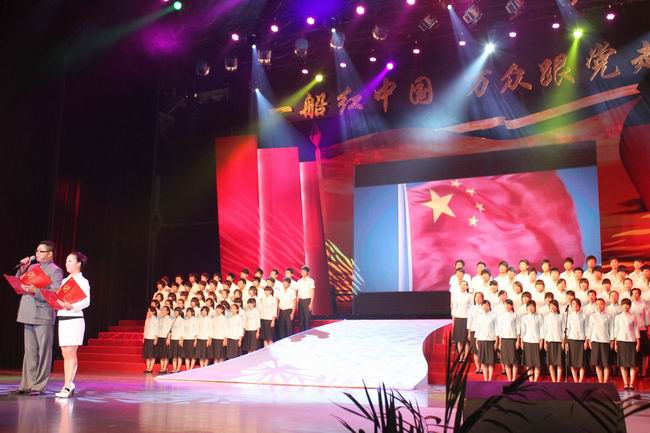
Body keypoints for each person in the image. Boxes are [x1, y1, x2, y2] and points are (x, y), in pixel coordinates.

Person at [13, 240, 64, 396]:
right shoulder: (32, 267)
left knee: (43, 352)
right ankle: (27, 384)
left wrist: (36, 290)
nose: (37, 254)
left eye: (40, 251)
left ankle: (39, 386)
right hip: (28, 312)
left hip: (43, 314)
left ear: (50, 254)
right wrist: (22, 269)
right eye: (36, 251)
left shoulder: (55, 270)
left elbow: (55, 293)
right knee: (29, 352)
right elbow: (19, 283)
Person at [52, 251, 91, 398]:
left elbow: (86, 301)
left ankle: (68, 385)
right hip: (63, 318)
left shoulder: (83, 281)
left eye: (70, 261)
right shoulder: (64, 281)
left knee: (71, 353)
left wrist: (71, 306)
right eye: (66, 261)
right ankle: (67, 384)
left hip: (74, 319)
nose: (67, 263)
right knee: (65, 353)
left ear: (78, 263)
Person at [614, 298, 640, 390]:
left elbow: (636, 329)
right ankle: (625, 383)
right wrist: (615, 343)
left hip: (631, 341)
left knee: (633, 364)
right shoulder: (618, 317)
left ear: (630, 306)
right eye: (623, 304)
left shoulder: (633, 317)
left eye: (627, 304)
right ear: (621, 306)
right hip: (621, 341)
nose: (625, 306)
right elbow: (616, 330)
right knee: (623, 364)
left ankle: (631, 383)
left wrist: (638, 342)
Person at [587, 298, 614, 383]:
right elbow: (590, 329)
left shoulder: (609, 316)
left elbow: (611, 329)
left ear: (604, 305)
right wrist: (589, 340)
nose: (599, 306)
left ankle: (605, 382)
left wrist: (612, 340)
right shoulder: (592, 316)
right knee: (597, 362)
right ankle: (600, 381)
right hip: (595, 340)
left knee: (606, 363)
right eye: (597, 304)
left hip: (605, 341)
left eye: (601, 304)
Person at [520, 300, 544, 382]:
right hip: (527, 341)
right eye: (529, 306)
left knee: (537, 363)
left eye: (532, 306)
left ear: (535, 307)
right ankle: (531, 380)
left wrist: (541, 341)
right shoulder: (524, 318)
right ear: (526, 308)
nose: (530, 308)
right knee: (529, 363)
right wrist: (521, 341)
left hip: (536, 341)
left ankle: (535, 380)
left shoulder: (539, 317)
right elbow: (523, 331)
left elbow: (542, 330)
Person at [496, 299, 520, 381]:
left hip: (512, 339)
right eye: (505, 304)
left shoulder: (515, 315)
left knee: (514, 360)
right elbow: (500, 330)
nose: (506, 306)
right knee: (506, 361)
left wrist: (518, 340)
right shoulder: (501, 316)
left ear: (511, 306)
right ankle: (509, 379)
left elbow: (518, 329)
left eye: (508, 304)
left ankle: (514, 379)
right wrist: (500, 342)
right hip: (504, 339)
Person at [475, 300, 497, 381]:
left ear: (489, 306)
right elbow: (478, 329)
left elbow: (497, 329)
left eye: (486, 305)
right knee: (483, 361)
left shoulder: (494, 316)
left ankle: (490, 378)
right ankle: (485, 378)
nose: (485, 307)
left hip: (491, 340)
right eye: (483, 305)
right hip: (481, 339)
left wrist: (496, 341)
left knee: (490, 361)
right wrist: (476, 341)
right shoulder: (480, 317)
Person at [566, 298, 588, 383]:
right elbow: (567, 329)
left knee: (581, 362)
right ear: (571, 306)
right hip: (572, 340)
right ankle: (575, 380)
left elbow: (586, 329)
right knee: (573, 362)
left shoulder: (584, 316)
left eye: (576, 303)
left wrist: (586, 341)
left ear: (580, 305)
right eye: (573, 304)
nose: (575, 305)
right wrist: (566, 342)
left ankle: (580, 380)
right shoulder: (569, 316)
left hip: (581, 340)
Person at [451, 280, 473, 360]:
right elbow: (454, 307)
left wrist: (471, 319)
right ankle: (461, 355)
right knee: (459, 339)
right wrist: (453, 319)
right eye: (461, 284)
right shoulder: (456, 295)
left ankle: (465, 357)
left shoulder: (470, 296)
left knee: (466, 339)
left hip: (467, 318)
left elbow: (471, 308)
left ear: (467, 287)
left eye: (464, 285)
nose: (462, 286)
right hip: (458, 317)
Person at [543, 300, 563, 382]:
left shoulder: (560, 316)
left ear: (557, 307)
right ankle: (553, 380)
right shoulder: (546, 317)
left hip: (558, 340)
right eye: (551, 306)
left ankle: (558, 380)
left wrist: (563, 342)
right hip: (549, 340)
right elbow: (545, 330)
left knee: (559, 362)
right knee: (551, 362)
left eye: (554, 306)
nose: (552, 307)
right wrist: (545, 342)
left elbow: (563, 330)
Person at [467, 291, 485, 374]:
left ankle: (483, 367)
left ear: (482, 298)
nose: (477, 299)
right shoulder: (472, 308)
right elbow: (469, 321)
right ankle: (478, 368)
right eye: (476, 297)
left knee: (482, 350)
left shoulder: (485, 307)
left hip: (483, 331)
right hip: (474, 330)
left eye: (479, 297)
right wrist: (469, 332)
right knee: (475, 350)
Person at [296, 266, 315, 332]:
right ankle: (301, 333)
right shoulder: (299, 281)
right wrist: (297, 303)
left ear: (308, 272)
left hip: (307, 300)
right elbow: (298, 293)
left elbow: (312, 292)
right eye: (302, 271)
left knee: (307, 318)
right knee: (301, 319)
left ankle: (308, 332)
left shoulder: (311, 281)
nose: (302, 272)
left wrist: (311, 303)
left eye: (304, 271)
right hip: (300, 301)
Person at [156, 306, 173, 374]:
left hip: (165, 337)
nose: (162, 311)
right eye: (162, 310)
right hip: (160, 337)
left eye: (164, 310)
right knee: (161, 354)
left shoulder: (169, 320)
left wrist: (168, 338)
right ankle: (162, 367)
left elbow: (170, 330)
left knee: (165, 354)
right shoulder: (160, 319)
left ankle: (165, 368)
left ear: (168, 311)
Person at [142, 307, 158, 374]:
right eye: (148, 311)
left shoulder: (155, 320)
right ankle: (148, 367)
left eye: (150, 311)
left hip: (152, 338)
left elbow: (156, 330)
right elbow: (145, 329)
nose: (149, 312)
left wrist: (156, 338)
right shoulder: (147, 319)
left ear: (154, 312)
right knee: (147, 354)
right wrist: (144, 337)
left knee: (152, 354)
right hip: (147, 337)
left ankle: (151, 368)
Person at [169, 307, 185, 373]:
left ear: (179, 312)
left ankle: (178, 369)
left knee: (179, 355)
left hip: (178, 339)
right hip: (173, 338)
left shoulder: (181, 320)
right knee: (174, 355)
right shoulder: (173, 320)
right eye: (174, 311)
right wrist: (169, 338)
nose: (175, 312)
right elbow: (171, 330)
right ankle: (174, 368)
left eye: (176, 311)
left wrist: (181, 339)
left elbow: (183, 330)